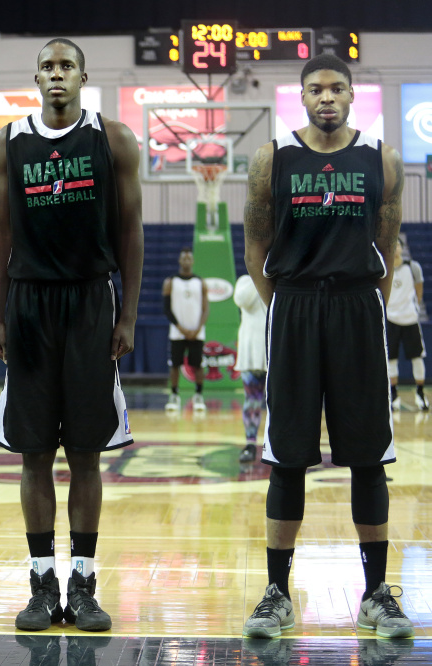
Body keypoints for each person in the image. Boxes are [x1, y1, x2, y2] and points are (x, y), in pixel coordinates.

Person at [242, 54, 412, 639]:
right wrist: (282, 305)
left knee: (368, 456)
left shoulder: (382, 159)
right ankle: (276, 594)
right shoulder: (273, 158)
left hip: (358, 305)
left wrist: (371, 303)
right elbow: (254, 246)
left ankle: (376, 594)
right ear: (302, 95)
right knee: (288, 454)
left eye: (337, 88)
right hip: (292, 305)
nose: (327, 98)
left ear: (351, 95)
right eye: (316, 89)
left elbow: (386, 244)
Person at [0, 39, 142, 632]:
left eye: (66, 67)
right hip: (28, 303)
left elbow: (131, 230)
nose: (57, 75)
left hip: (89, 302)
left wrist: (126, 314)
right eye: (48, 67)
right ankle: (40, 584)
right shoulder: (9, 141)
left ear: (83, 76)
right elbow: (1, 232)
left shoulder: (113, 138)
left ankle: (82, 582)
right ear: (36, 77)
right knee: (33, 454)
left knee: (85, 454)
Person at [163, 247, 208, 412]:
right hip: (177, 332)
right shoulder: (170, 282)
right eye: (184, 258)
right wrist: (182, 329)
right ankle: (174, 395)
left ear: (193, 261)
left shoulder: (200, 282)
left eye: (189, 258)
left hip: (197, 332)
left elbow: (206, 309)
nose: (187, 261)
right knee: (175, 365)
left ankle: (198, 396)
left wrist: (197, 328)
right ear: (180, 261)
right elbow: (167, 309)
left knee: (198, 365)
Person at [386, 238, 427, 411]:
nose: (395, 248)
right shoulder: (385, 268)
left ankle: (420, 393)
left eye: (397, 245)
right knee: (391, 359)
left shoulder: (413, 267)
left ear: (402, 249)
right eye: (392, 245)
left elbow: (419, 289)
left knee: (417, 357)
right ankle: (393, 395)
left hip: (410, 319)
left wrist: (415, 306)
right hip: (390, 319)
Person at [233, 273, 267, 463]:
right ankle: (250, 444)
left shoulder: (280, 278)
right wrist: (259, 274)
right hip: (250, 352)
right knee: (251, 402)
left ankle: (275, 445)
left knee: (277, 405)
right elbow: (242, 300)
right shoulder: (245, 281)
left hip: (274, 351)